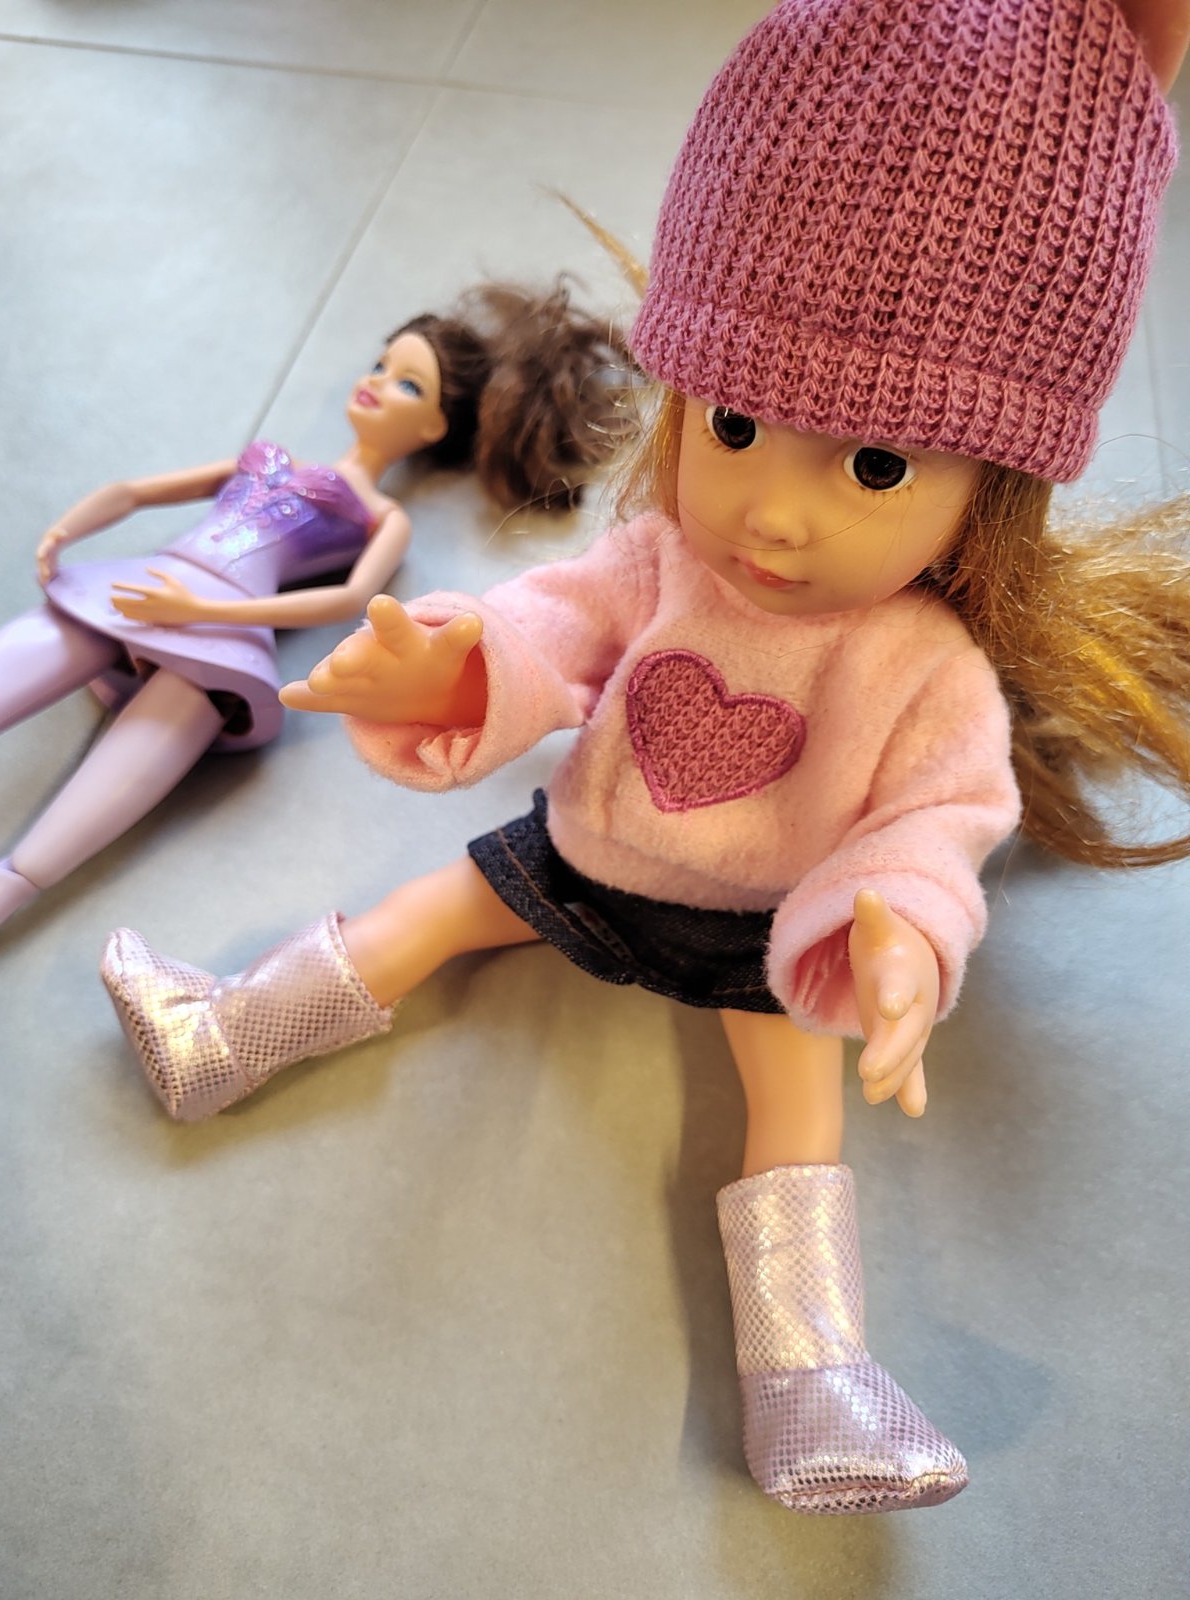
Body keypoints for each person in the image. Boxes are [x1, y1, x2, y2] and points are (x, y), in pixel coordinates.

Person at [101, 0, 1190, 1514]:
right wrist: (455, 660)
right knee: (424, 917)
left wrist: (898, 929)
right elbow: (555, 620)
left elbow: (943, 812)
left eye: (878, 464)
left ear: (995, 487)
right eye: (732, 421)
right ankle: (223, 1034)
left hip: (773, 923)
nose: (773, 515)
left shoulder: (923, 661)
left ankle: (812, 1381)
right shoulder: (667, 555)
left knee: (795, 1117)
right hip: (593, 847)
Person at [0, 282, 630, 936]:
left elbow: (350, 599)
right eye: (381, 364)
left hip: (222, 625)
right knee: (57, 633)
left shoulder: (382, 517)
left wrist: (201, 610)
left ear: (433, 427)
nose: (376, 382)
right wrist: (67, 531)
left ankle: (10, 886)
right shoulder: (266, 459)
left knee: (188, 701)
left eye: (408, 385)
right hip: (145, 582)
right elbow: (133, 491)